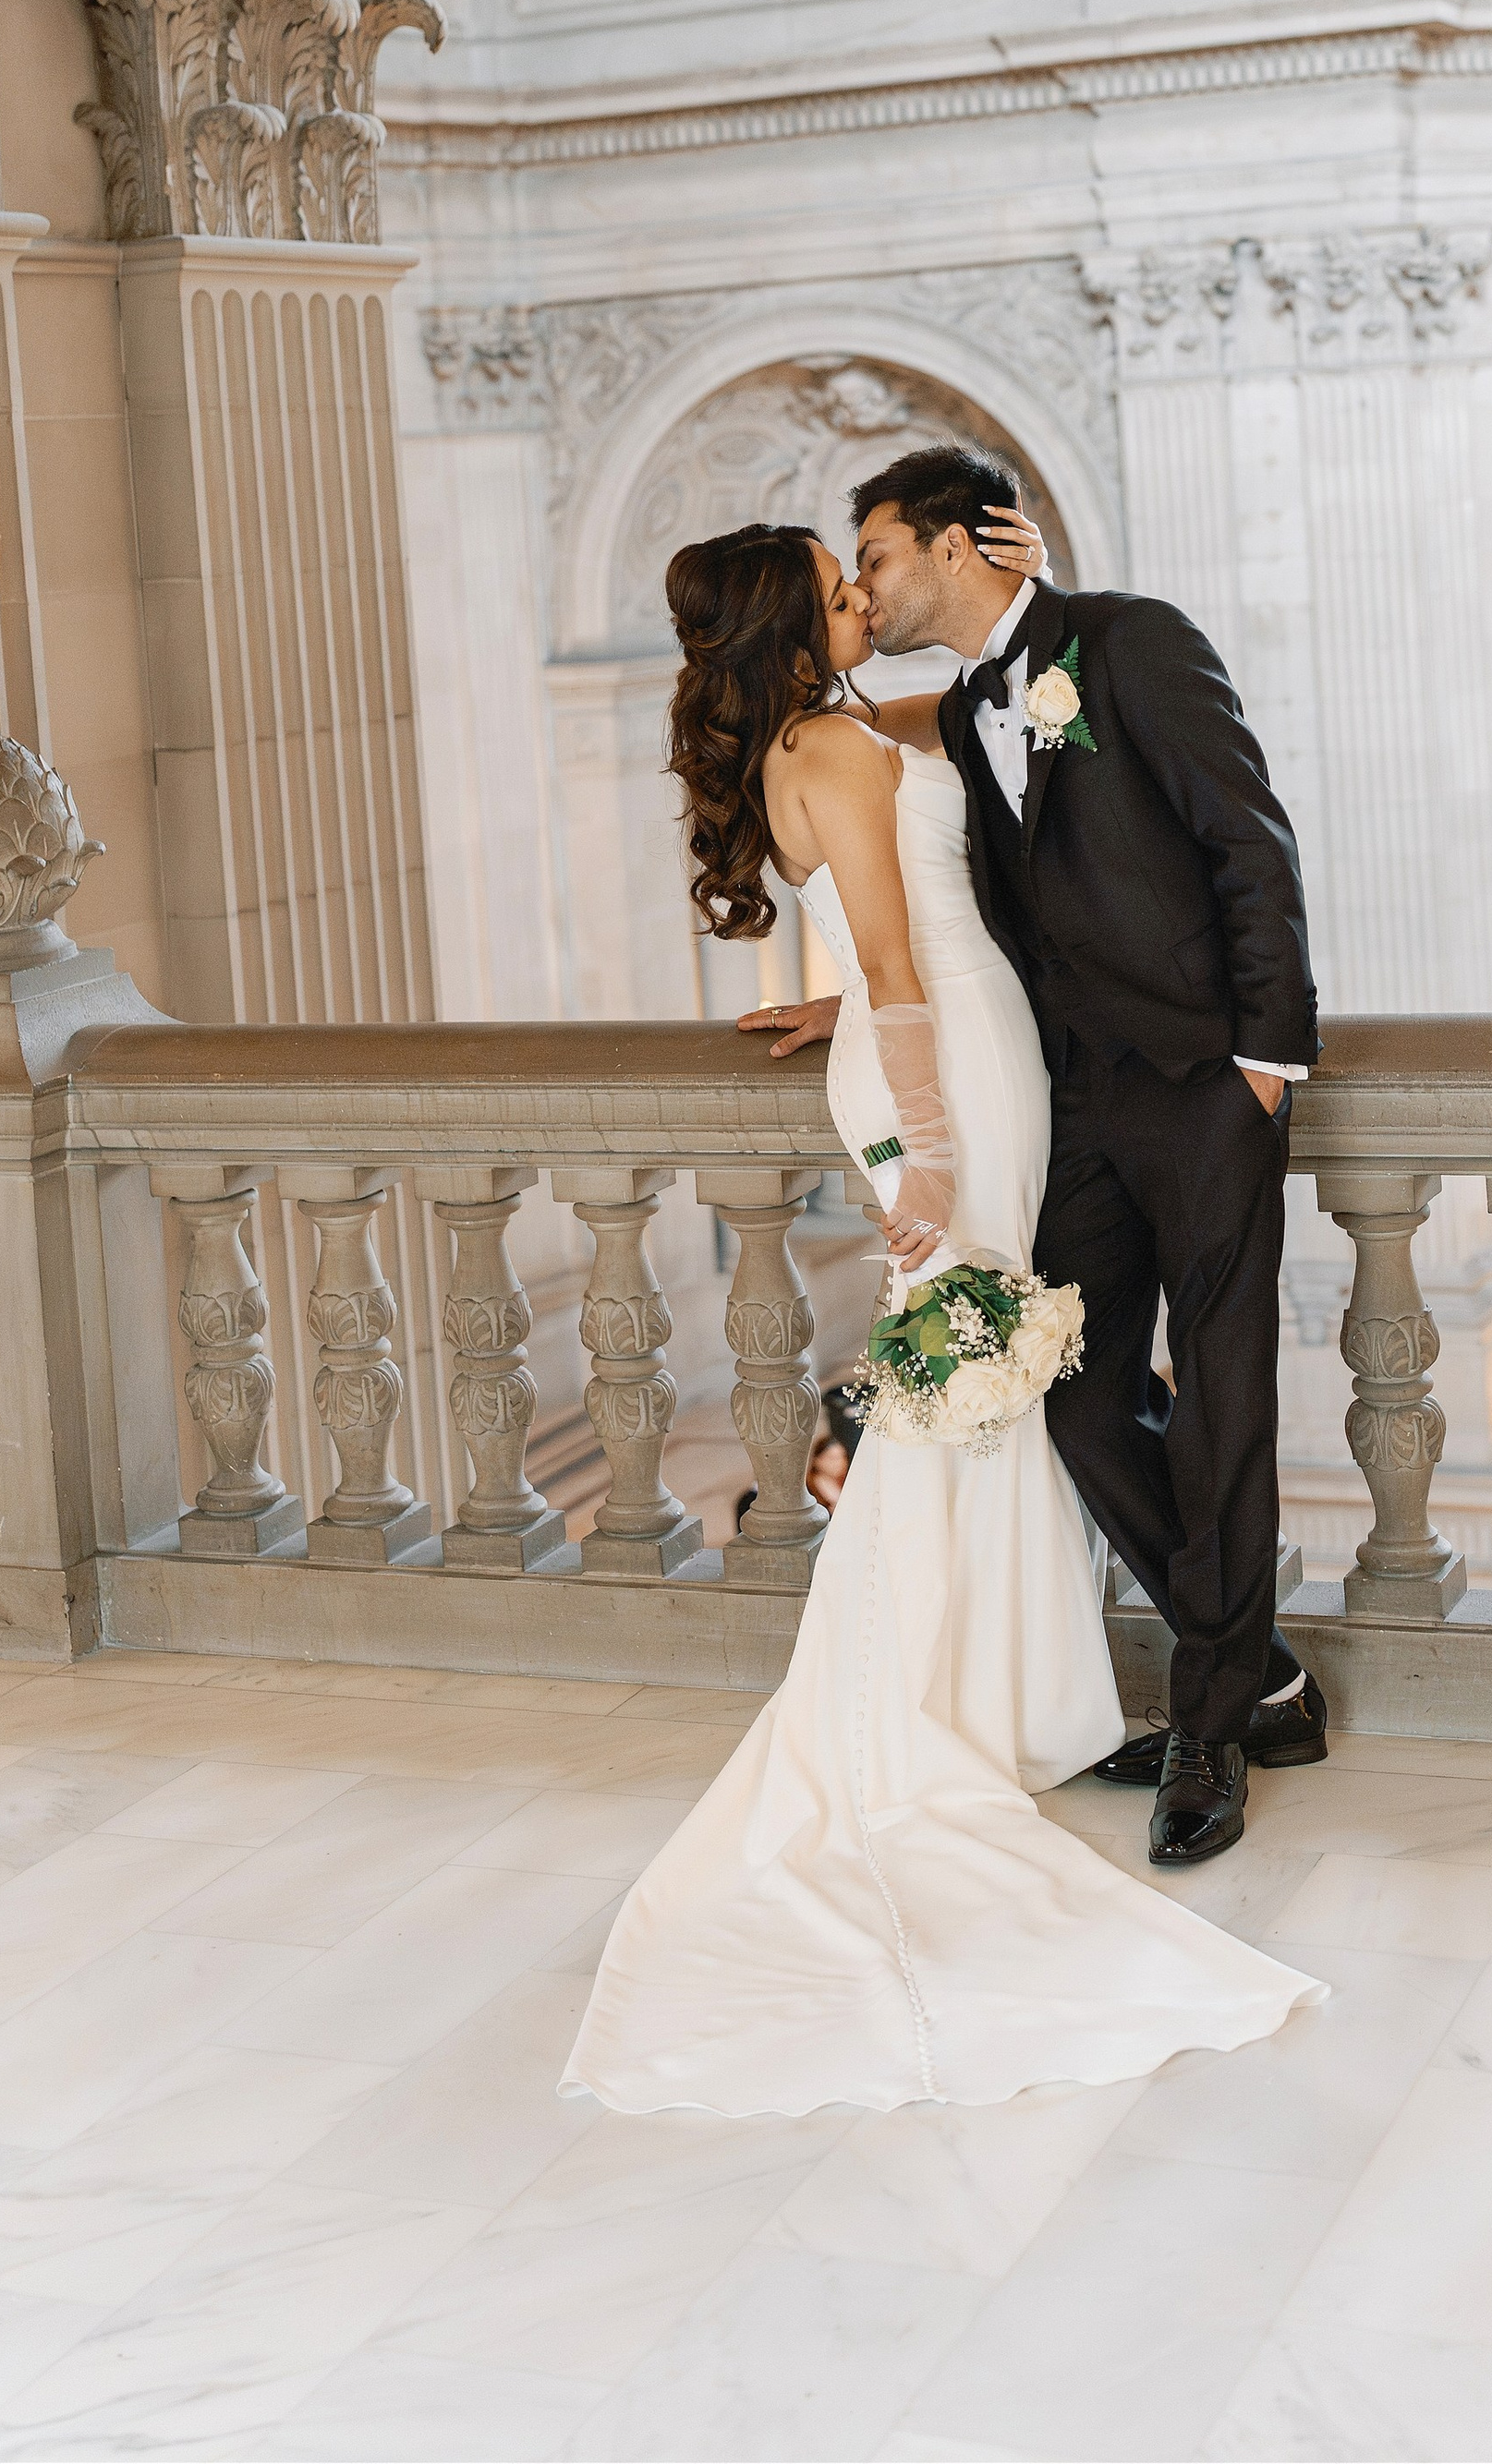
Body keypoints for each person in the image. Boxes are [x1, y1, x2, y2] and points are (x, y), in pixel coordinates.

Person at [562, 510, 1320, 2118]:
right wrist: (928, 1145)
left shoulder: (844, 728)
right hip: (952, 1080)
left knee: (1000, 1381)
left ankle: (1025, 1694)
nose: (860, 598)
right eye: (836, 588)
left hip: (976, 1054)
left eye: (869, 569)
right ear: (792, 626)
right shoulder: (833, 748)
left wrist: (1026, 583)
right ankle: (922, 1712)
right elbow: (901, 956)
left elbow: (985, 709)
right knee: (969, 1378)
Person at [759, 441, 1326, 1870]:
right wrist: (845, 996)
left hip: (1203, 1089)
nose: (865, 585)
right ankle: (1254, 1674)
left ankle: (1214, 1725)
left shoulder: (1128, 644)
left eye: (876, 554)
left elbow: (1248, 839)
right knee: (1072, 1392)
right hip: (1069, 1103)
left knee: (1224, 1399)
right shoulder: (962, 707)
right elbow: (902, 853)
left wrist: (1266, 1060)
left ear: (955, 547)